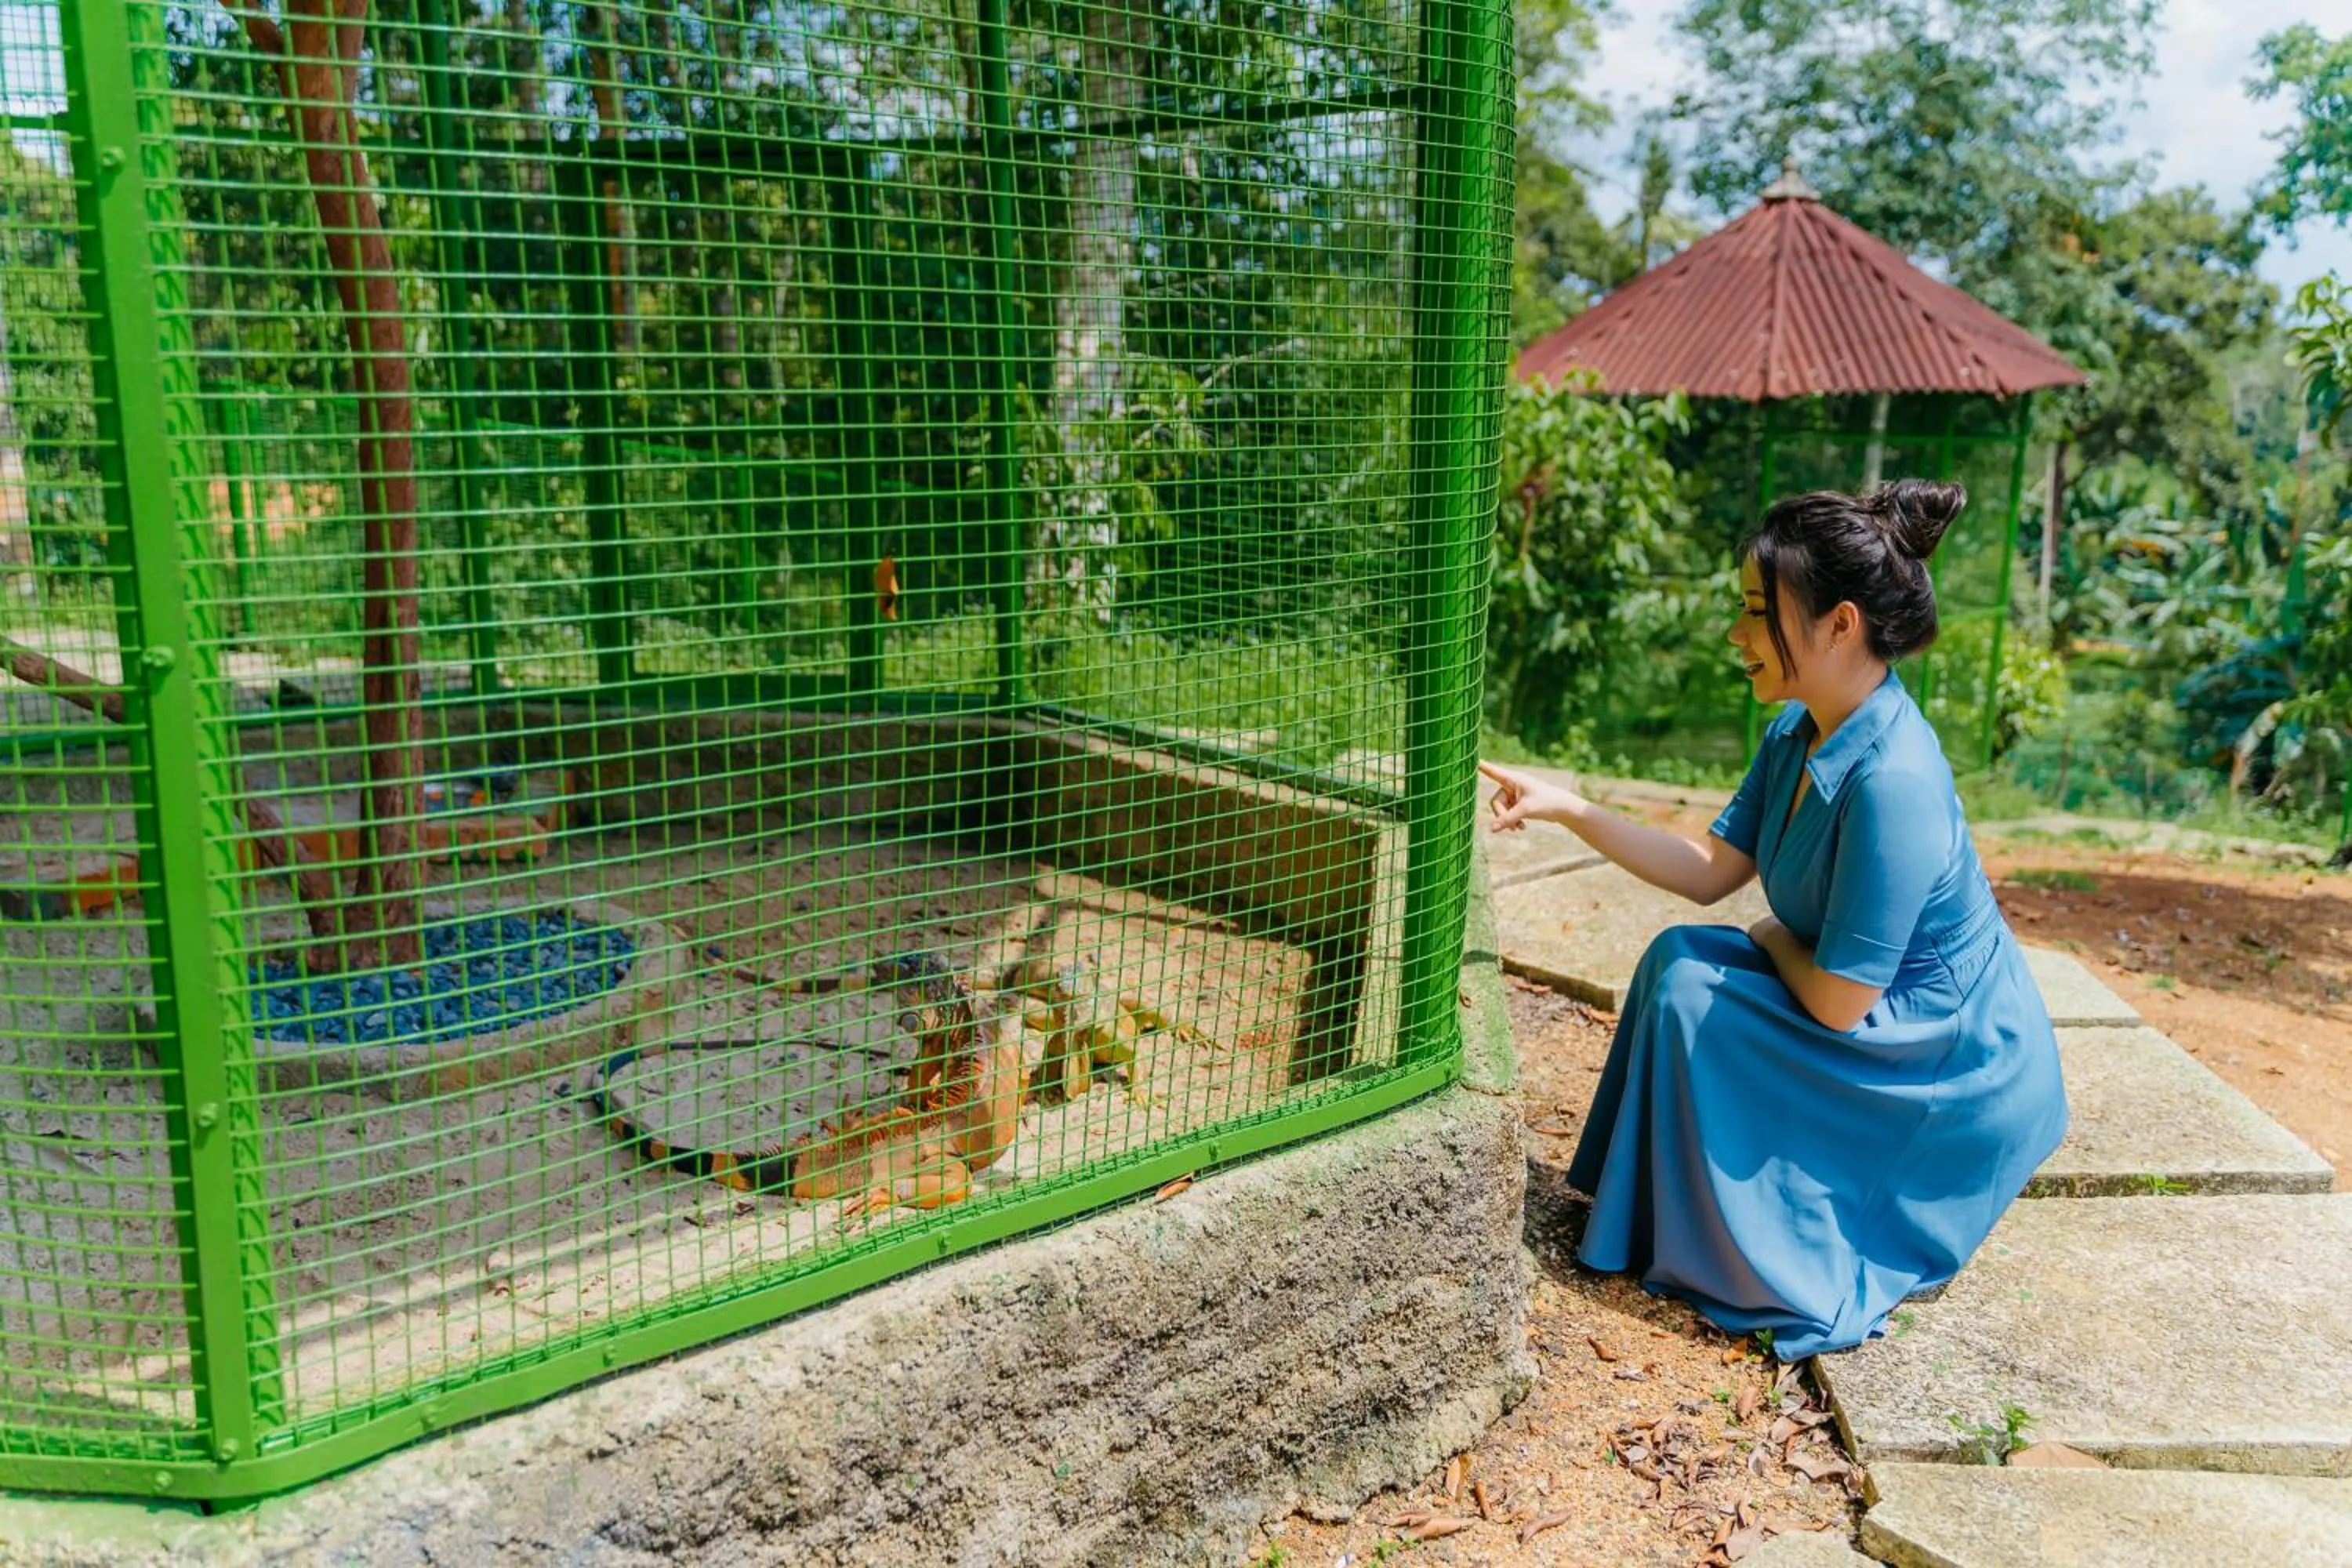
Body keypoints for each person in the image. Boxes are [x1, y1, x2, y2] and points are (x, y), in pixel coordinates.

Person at [1479, 479, 2067, 1359]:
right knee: (1678, 963)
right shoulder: (1799, 728)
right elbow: (1712, 872)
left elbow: (1836, 1002)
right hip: (1870, 1018)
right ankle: (1654, 1217)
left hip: (1941, 1067)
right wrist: (1570, 806)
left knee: (1696, 982)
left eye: (1758, 612)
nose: (1737, 634)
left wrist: (1771, 935)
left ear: (1839, 624)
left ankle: (1743, 1241)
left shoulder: (1894, 780)